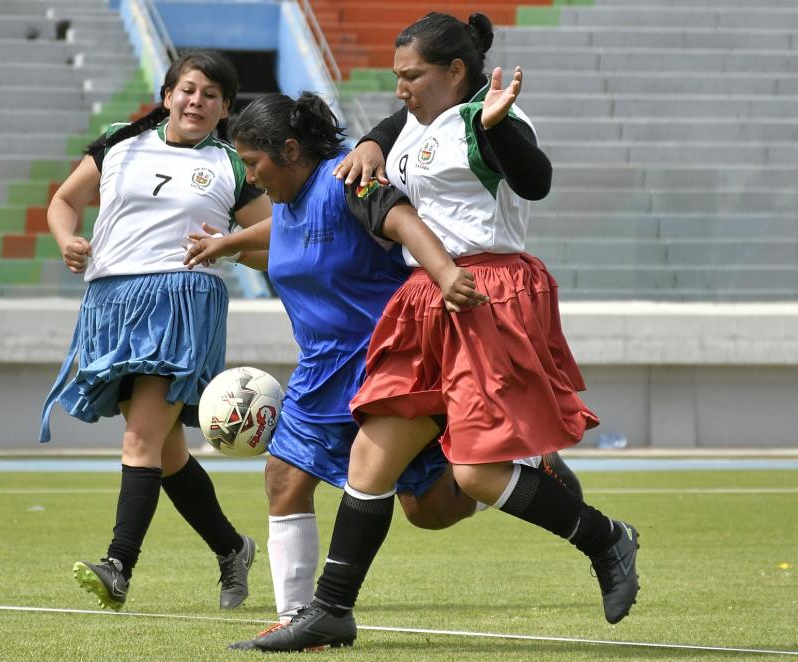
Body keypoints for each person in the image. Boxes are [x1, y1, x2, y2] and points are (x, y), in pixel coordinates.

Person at [229, 12, 640, 652]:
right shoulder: (412, 130)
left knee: (474, 476)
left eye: (411, 75)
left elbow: (535, 182)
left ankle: (604, 538)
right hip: (425, 298)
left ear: (454, 72)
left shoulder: (491, 120)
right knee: (373, 456)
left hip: (483, 292)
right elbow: (393, 141)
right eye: (397, 76)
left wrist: (499, 128)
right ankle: (331, 611)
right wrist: (369, 140)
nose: (400, 88)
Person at [182, 90, 584, 628]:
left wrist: (443, 274)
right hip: (319, 369)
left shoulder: (345, 179)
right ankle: (297, 617)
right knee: (283, 475)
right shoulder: (288, 203)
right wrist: (230, 243)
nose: (250, 178)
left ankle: (530, 468)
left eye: (253, 163)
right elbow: (290, 234)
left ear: (292, 150)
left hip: (386, 360)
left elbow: (402, 219)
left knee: (430, 510)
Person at [38, 50, 272, 612]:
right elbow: (64, 201)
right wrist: (66, 240)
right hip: (111, 304)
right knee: (165, 453)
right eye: (188, 90)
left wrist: (229, 250)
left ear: (224, 109)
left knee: (141, 440)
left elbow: (278, 242)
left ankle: (118, 566)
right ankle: (231, 548)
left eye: (211, 95)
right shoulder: (121, 140)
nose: (197, 101)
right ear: (168, 95)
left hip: (183, 304)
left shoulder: (232, 164)